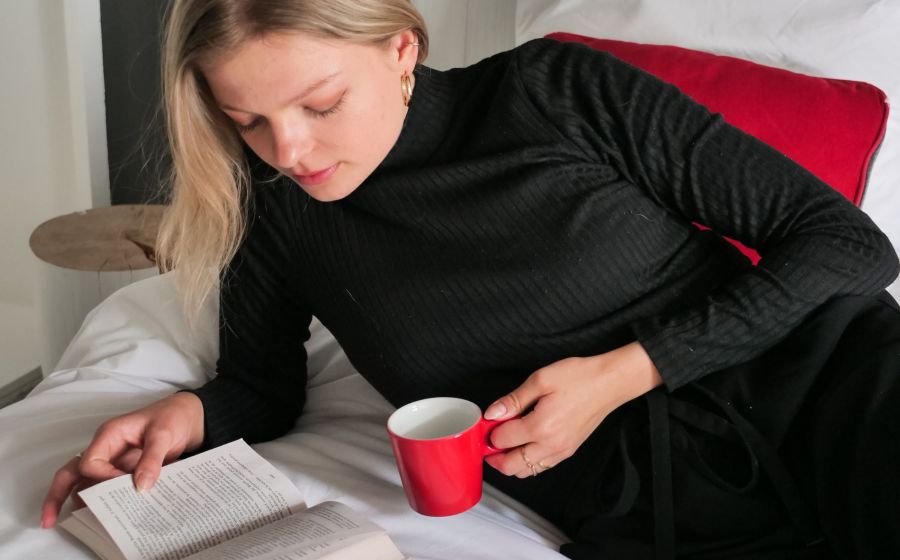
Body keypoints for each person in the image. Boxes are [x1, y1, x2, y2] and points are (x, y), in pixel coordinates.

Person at [41, 1, 900, 558]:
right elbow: (263, 388)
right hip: (644, 507)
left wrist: (628, 370)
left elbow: (846, 244)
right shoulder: (281, 210)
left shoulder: (555, 90)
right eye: (247, 122)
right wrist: (184, 416)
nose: (289, 150)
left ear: (400, 49)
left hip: (830, 383)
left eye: (321, 104)